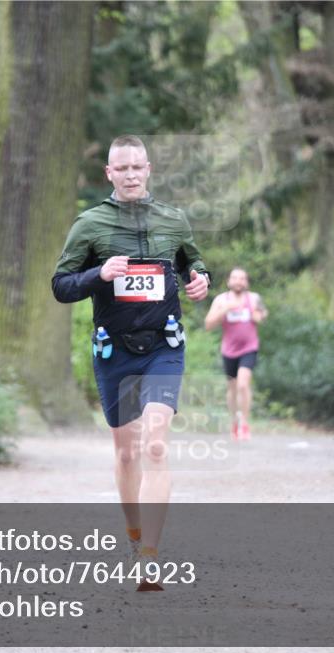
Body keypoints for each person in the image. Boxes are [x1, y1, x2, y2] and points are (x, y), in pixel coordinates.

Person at [51, 135, 210, 591]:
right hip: (114, 350)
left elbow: (192, 264)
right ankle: (135, 534)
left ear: (149, 168)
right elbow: (60, 285)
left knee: (155, 443)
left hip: (164, 345)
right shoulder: (90, 224)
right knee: (126, 452)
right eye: (122, 169)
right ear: (109, 174)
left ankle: (150, 557)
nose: (132, 175)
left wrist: (200, 281)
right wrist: (97, 275)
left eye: (138, 167)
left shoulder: (173, 220)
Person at [204, 267, 267, 440]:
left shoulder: (253, 298)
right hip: (229, 350)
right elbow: (208, 325)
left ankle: (245, 424)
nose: (238, 281)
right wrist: (225, 310)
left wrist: (257, 316)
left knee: (243, 384)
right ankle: (234, 422)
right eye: (235, 278)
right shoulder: (220, 300)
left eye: (242, 278)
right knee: (232, 388)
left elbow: (262, 316)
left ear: (246, 282)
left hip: (249, 347)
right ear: (228, 281)